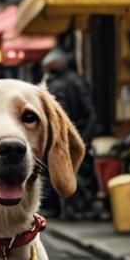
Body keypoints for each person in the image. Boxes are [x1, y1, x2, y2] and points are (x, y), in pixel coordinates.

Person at [41, 47, 98, 217]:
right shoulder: (75, 81)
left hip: (69, 135)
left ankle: (71, 207)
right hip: (76, 135)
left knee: (65, 171)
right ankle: (78, 207)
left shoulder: (61, 84)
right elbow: (89, 111)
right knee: (76, 172)